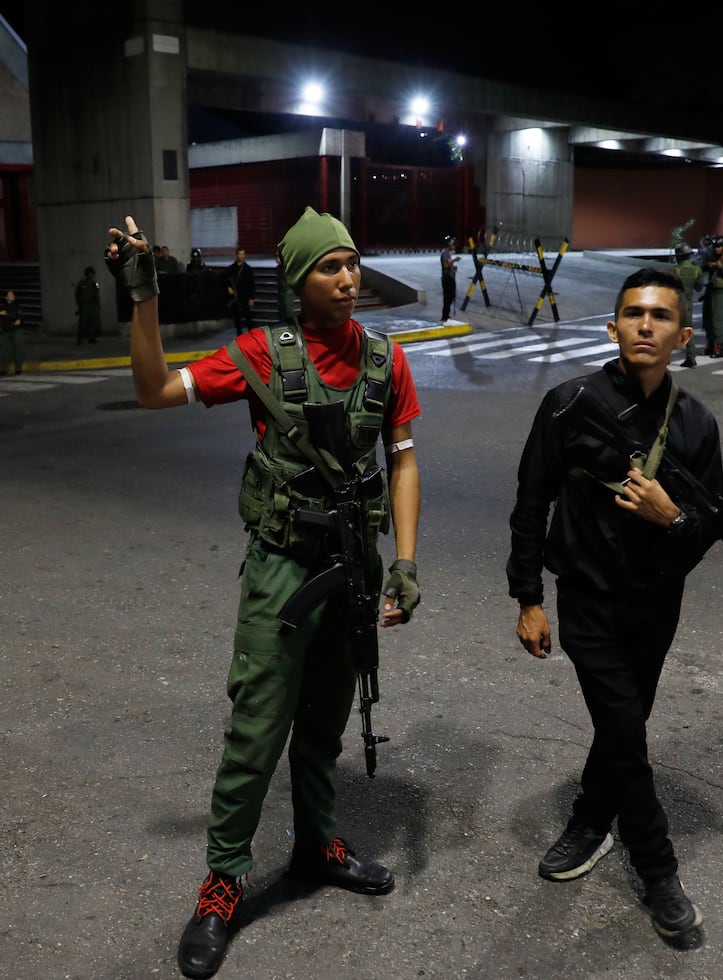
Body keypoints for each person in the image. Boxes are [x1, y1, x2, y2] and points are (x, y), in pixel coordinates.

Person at [104, 206, 422, 980]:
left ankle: (316, 847)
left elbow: (404, 459)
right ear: (298, 280)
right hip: (283, 571)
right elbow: (151, 390)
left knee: (323, 725)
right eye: (329, 267)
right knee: (257, 732)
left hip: (352, 568)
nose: (348, 279)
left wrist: (405, 564)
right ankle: (221, 885)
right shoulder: (257, 355)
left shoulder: (386, 361)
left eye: (352, 262)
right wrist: (145, 293)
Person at [506, 266, 723, 941]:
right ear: (614, 327)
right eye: (634, 313)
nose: (646, 325)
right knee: (627, 733)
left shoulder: (696, 423)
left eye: (660, 317)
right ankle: (659, 870)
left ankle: (593, 816)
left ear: (682, 335)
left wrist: (670, 519)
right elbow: (530, 502)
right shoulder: (569, 403)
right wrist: (528, 599)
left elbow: (706, 531)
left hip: (656, 604)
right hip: (589, 602)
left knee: (621, 729)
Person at [672, 244, 702, 368]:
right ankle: (691, 357)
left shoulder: (676, 270)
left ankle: (663, 359)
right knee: (688, 331)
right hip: (688, 304)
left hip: (676, 304)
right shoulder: (696, 269)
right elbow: (699, 287)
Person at [223, 247, 256, 335]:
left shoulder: (248, 269)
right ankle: (239, 336)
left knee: (248, 317)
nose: (241, 256)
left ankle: (251, 335)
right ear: (236, 255)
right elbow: (224, 278)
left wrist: (252, 298)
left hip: (245, 296)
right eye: (239, 254)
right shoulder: (232, 268)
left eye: (243, 254)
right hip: (235, 297)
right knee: (237, 319)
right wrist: (228, 287)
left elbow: (252, 284)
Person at [74, 266, 101, 344]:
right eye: (88, 273)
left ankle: (91, 338)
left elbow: (97, 295)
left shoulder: (95, 284)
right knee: (82, 323)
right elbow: (77, 294)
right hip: (84, 305)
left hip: (92, 305)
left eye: (91, 274)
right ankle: (80, 338)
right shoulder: (81, 283)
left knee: (92, 323)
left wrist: (97, 306)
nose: (90, 275)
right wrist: (79, 304)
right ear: (86, 274)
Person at [0, 288, 24, 375]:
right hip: (5, 330)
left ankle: (18, 369)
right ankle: (3, 369)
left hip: (16, 330)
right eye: (10, 295)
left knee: (18, 349)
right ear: (6, 297)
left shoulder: (17, 306)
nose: (12, 296)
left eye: (13, 295)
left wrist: (7, 315)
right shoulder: (2, 306)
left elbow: (18, 317)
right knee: (4, 350)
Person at [440, 235, 461, 322]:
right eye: (453, 245)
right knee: (448, 297)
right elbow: (445, 265)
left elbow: (448, 265)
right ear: (449, 245)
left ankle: (446, 315)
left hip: (450, 276)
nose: (454, 246)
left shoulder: (447, 253)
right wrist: (454, 260)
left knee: (450, 296)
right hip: (447, 278)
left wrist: (453, 268)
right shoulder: (444, 253)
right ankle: (445, 316)